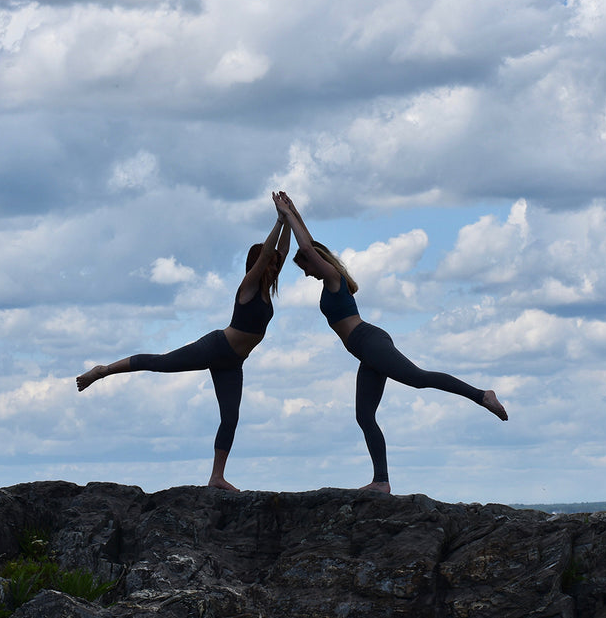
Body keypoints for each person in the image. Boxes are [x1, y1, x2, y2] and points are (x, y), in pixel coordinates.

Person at [274, 191, 506, 493]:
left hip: (369, 342)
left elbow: (308, 247)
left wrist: (288, 217)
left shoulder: (331, 276)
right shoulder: (330, 276)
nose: (305, 273)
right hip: (365, 350)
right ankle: (381, 481)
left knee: (419, 379)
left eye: (304, 267)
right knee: (364, 415)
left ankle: (481, 395)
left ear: (315, 262)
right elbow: (310, 242)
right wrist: (292, 212)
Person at [75, 201, 291, 491]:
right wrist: (278, 222)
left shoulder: (267, 288)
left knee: (231, 418)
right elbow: (268, 253)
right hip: (216, 347)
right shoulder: (249, 286)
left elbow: (282, 252)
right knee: (162, 363)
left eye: (276, 263)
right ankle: (102, 371)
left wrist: (289, 218)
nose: (276, 264)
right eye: (271, 262)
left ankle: (216, 477)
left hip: (233, 363)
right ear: (258, 265)